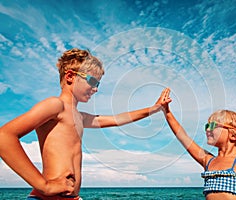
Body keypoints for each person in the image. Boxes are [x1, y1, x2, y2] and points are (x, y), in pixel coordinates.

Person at [0, 48, 170, 200]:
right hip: (48, 198)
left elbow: (116, 119)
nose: (95, 89)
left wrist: (154, 109)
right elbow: (4, 136)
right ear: (70, 76)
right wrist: (43, 185)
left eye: (98, 84)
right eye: (92, 81)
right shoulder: (55, 105)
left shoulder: (79, 117)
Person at [161, 88, 236, 200]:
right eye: (207, 126)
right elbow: (183, 137)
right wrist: (167, 111)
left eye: (213, 125)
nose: (208, 129)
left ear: (233, 135)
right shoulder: (208, 161)